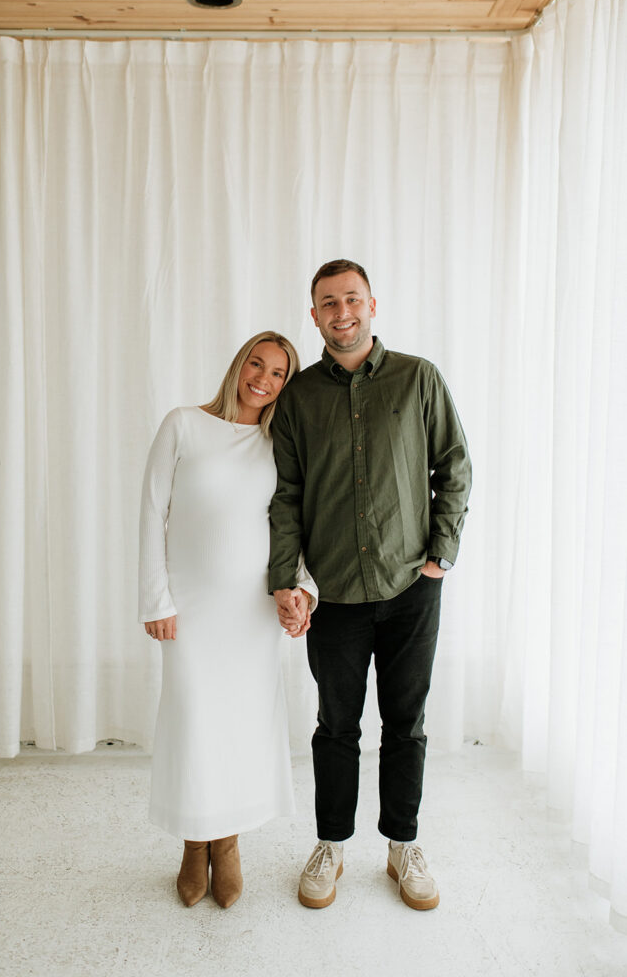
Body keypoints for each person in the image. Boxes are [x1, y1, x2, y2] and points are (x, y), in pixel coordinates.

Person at [269, 260, 471, 911]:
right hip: (334, 596)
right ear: (315, 314)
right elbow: (286, 495)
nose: (342, 311)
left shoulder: (419, 379)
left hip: (412, 586)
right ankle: (331, 844)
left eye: (352, 299)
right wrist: (285, 580)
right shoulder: (298, 397)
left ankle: (403, 844)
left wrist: (440, 555)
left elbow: (454, 466)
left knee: (405, 724)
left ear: (373, 305)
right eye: (328, 303)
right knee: (335, 726)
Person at [138, 331, 316, 909]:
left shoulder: (277, 442)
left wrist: (302, 590)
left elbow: (295, 524)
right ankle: (195, 844)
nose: (263, 379)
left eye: (278, 373)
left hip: (251, 613)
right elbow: (151, 512)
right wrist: (155, 600)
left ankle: (229, 843)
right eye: (256, 364)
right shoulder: (183, 424)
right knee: (195, 723)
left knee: (239, 725)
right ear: (239, 364)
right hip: (190, 610)